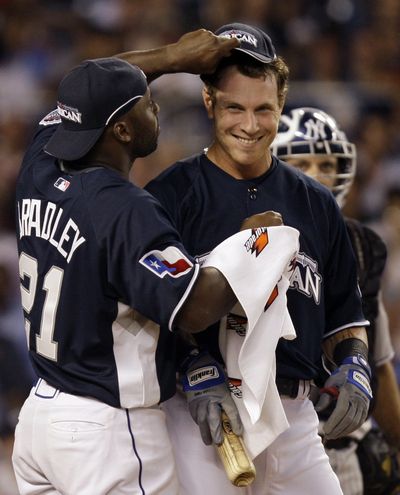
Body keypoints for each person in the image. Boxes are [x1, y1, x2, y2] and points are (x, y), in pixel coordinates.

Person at [11, 29, 289, 495]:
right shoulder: (124, 209)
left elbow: (95, 85)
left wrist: (173, 56)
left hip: (41, 416)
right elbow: (195, 305)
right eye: (146, 102)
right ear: (122, 129)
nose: (155, 105)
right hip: (107, 429)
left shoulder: (40, 163)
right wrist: (251, 244)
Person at [145, 23, 371, 495]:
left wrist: (354, 364)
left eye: (263, 109)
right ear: (209, 102)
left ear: (281, 105)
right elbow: (149, 311)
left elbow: (345, 318)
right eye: (234, 108)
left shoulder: (315, 202)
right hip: (201, 415)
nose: (249, 125)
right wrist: (192, 368)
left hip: (293, 414)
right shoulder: (169, 195)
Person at [272, 106, 400, 495]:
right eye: (302, 162)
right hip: (265, 426)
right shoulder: (246, 232)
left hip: (336, 438)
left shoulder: (360, 245)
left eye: (327, 164)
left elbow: (376, 361)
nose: (318, 176)